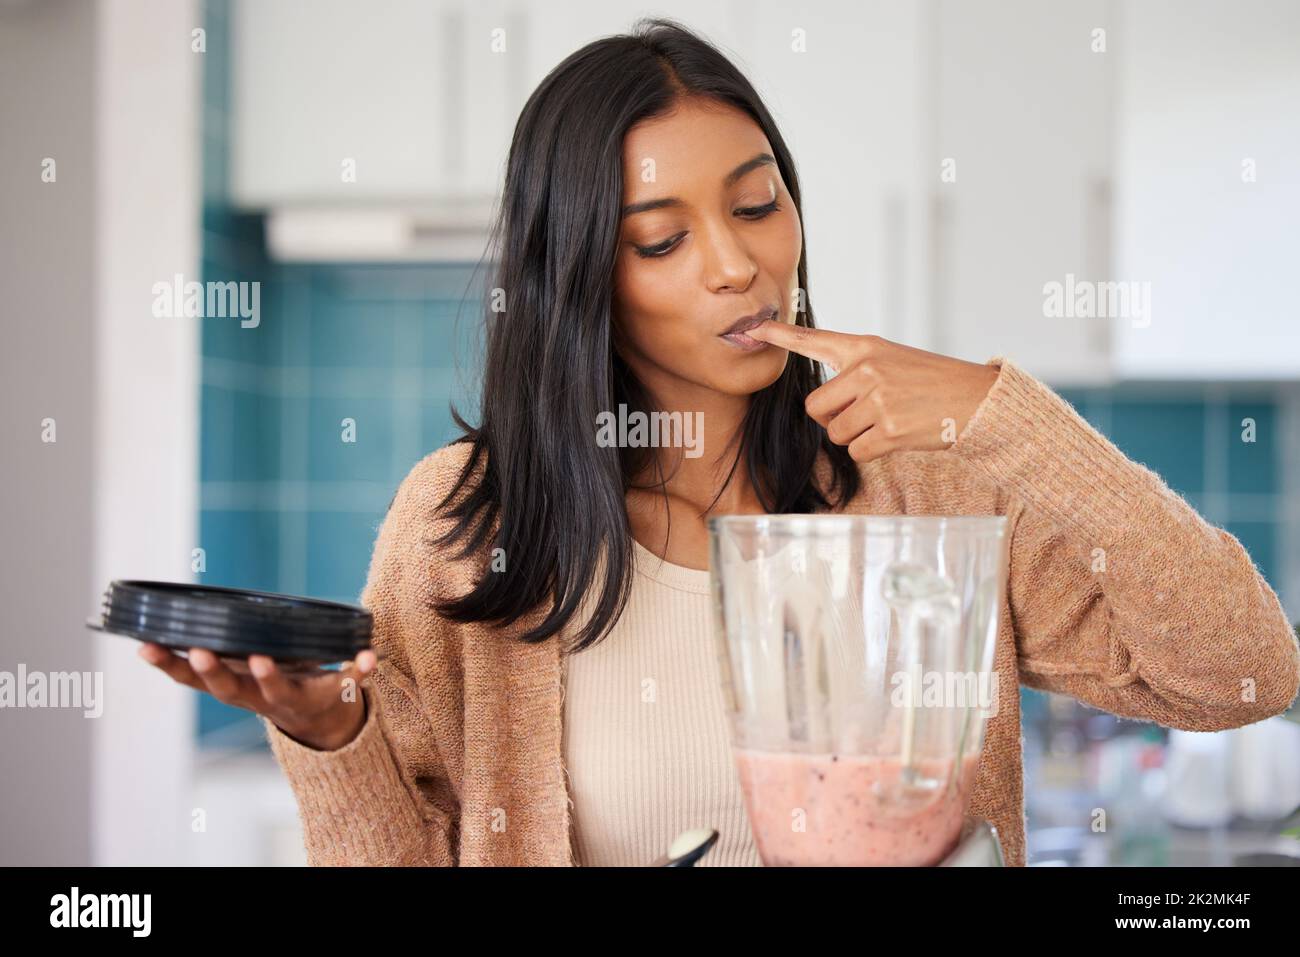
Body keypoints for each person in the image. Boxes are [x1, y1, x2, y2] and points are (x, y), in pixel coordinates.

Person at [140, 18, 1300, 867]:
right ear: (583, 276)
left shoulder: (921, 487)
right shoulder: (465, 527)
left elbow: (1241, 672)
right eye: (661, 238)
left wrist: (1004, 411)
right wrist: (332, 737)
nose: (736, 262)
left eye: (755, 206)